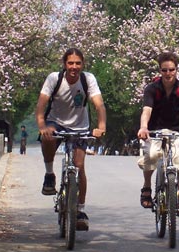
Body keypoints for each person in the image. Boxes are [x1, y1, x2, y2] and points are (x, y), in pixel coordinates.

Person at [35, 48, 106, 231]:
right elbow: (41, 104)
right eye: (70, 63)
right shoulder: (54, 79)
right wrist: (42, 126)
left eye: (78, 63)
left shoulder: (88, 79)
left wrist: (101, 126)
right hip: (56, 122)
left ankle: (80, 210)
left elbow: (98, 104)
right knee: (48, 138)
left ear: (83, 64)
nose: (74, 67)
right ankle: (49, 174)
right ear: (64, 64)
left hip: (80, 126)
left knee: (79, 166)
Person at [136, 52, 179, 216]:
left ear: (176, 70)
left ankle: (178, 198)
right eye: (164, 70)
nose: (168, 74)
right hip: (155, 131)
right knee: (151, 155)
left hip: (177, 131)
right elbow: (146, 110)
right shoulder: (152, 89)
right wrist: (143, 127)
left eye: (171, 70)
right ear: (160, 71)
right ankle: (147, 187)